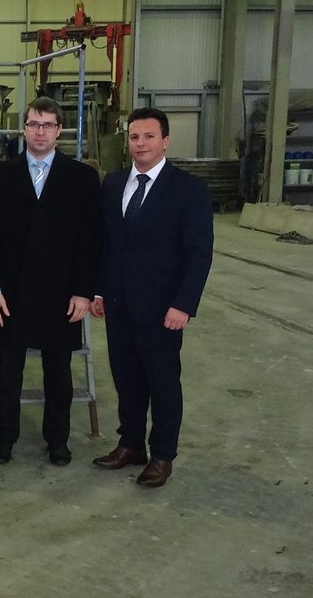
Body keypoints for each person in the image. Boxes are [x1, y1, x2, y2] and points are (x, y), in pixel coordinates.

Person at [90, 107, 213, 488]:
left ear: (165, 141)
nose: (140, 144)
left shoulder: (187, 189)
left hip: (163, 308)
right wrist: (98, 290)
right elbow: (104, 244)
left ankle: (162, 454)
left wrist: (184, 304)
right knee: (126, 379)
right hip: (118, 303)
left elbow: (198, 251)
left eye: (148, 137)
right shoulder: (112, 183)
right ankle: (130, 444)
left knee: (162, 381)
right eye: (134, 137)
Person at [0, 97, 102, 466]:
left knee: (58, 375)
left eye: (48, 125)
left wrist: (83, 291)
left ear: (59, 130)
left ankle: (58, 440)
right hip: (11, 293)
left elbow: (89, 240)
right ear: (24, 129)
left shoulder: (81, 178)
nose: (40, 131)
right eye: (34, 124)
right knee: (7, 373)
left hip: (60, 293)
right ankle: (4, 438)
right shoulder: (0, 176)